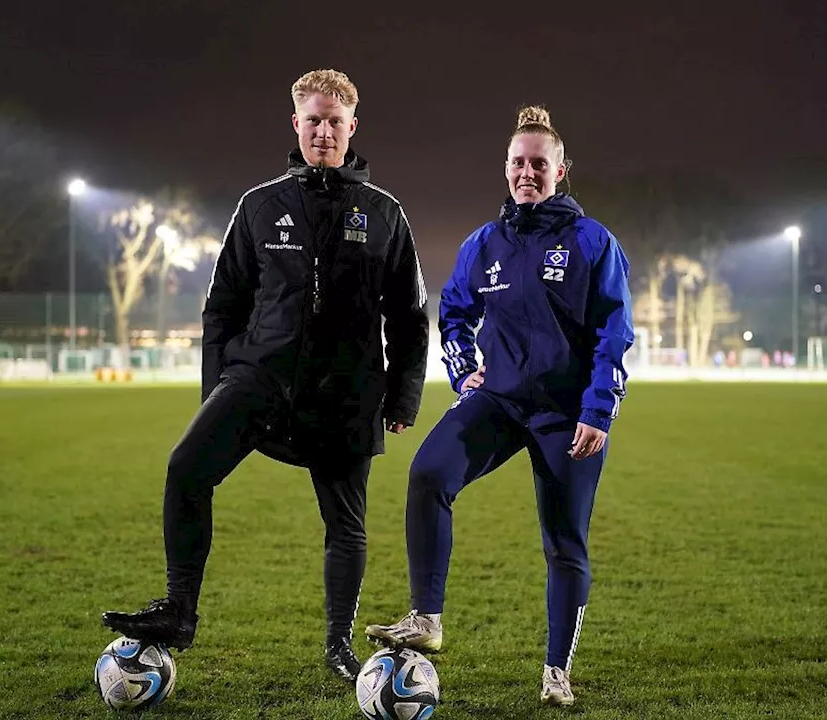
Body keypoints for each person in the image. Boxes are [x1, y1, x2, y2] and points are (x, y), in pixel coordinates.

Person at [102, 69, 430, 684]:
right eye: (314, 120)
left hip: (345, 390)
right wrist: (215, 392)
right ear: (297, 125)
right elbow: (222, 305)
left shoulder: (384, 214)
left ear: (353, 127)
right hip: (261, 378)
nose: (325, 131)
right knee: (185, 469)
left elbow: (410, 316)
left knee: (346, 526)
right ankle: (179, 611)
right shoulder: (259, 206)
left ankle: (338, 647)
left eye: (336, 121)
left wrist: (403, 392)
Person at [366, 105, 634, 707]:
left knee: (565, 542)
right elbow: (454, 313)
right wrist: (464, 369)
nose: (527, 173)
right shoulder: (483, 244)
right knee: (428, 474)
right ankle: (426, 617)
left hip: (567, 415)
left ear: (561, 170)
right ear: (506, 169)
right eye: (518, 162)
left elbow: (613, 331)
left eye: (539, 163)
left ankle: (556, 670)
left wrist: (598, 409)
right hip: (499, 401)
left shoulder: (594, 243)